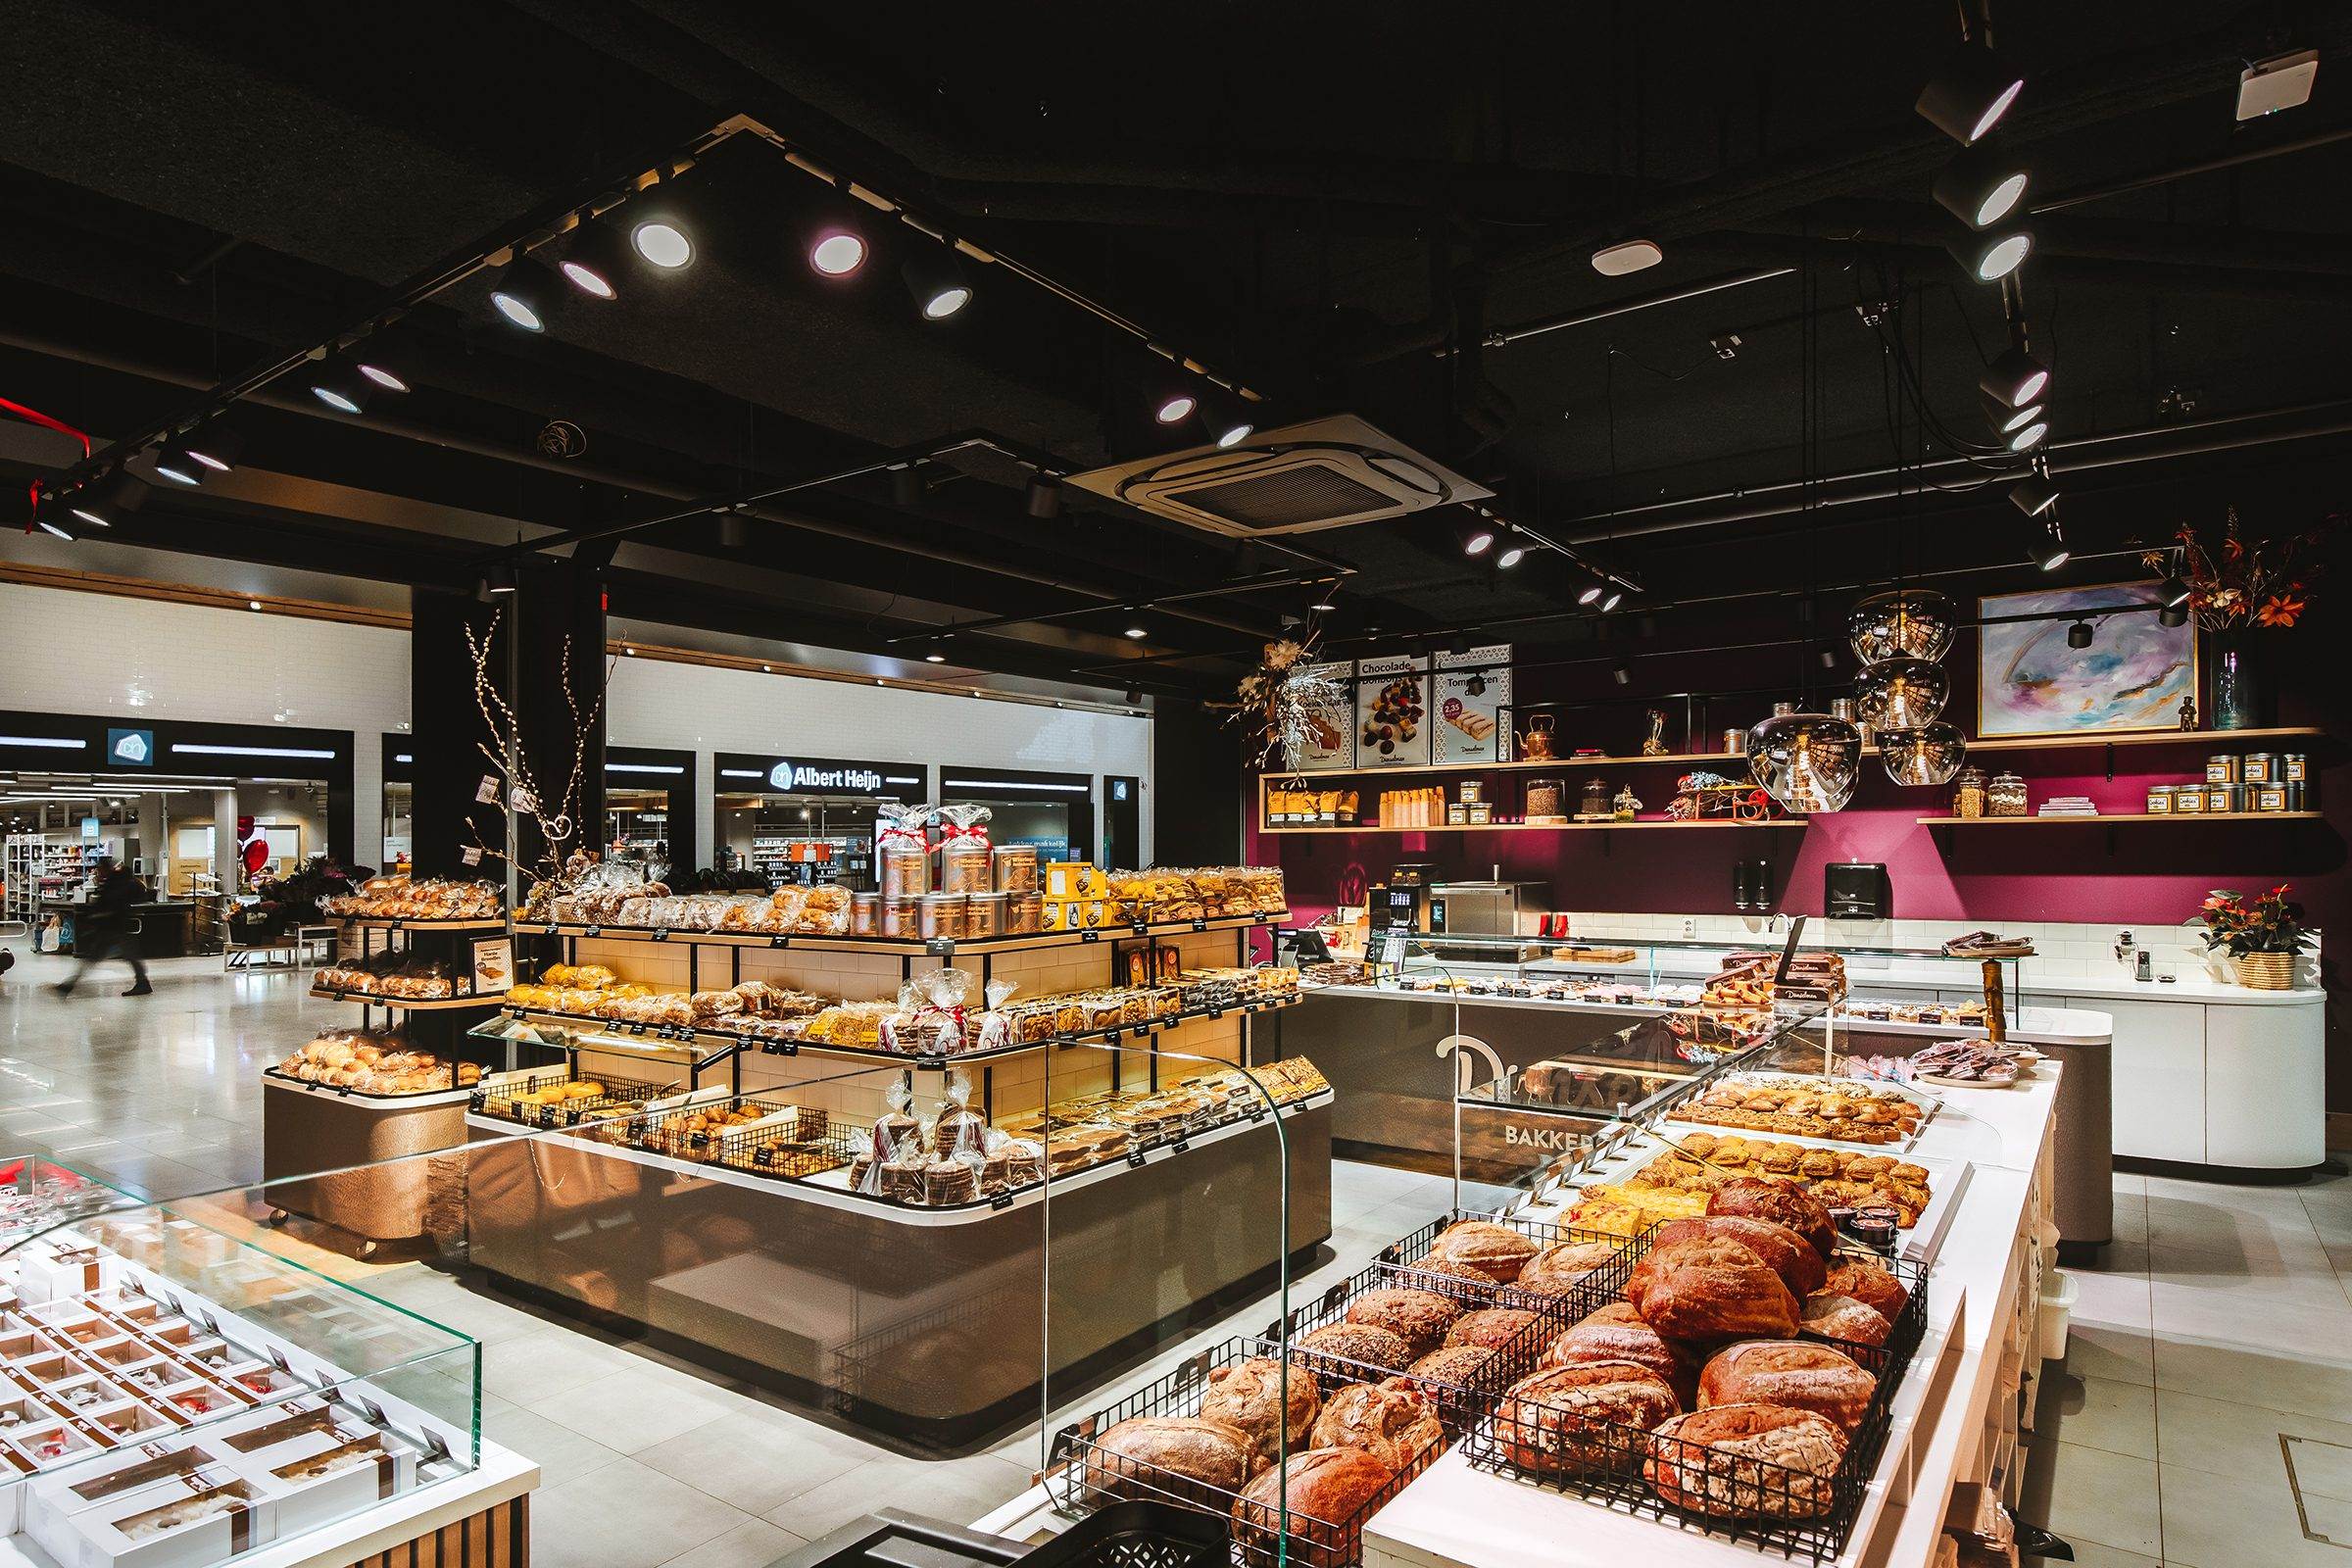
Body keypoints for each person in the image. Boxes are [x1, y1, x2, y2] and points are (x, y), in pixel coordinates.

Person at [52, 856, 152, 997]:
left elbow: (113, 903)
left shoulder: (117, 882)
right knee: (124, 955)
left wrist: (99, 915)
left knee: (104, 956)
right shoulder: (112, 881)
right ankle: (142, 982)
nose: (98, 872)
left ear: (106, 869)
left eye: (100, 869)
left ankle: (68, 985)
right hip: (111, 927)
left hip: (115, 926)